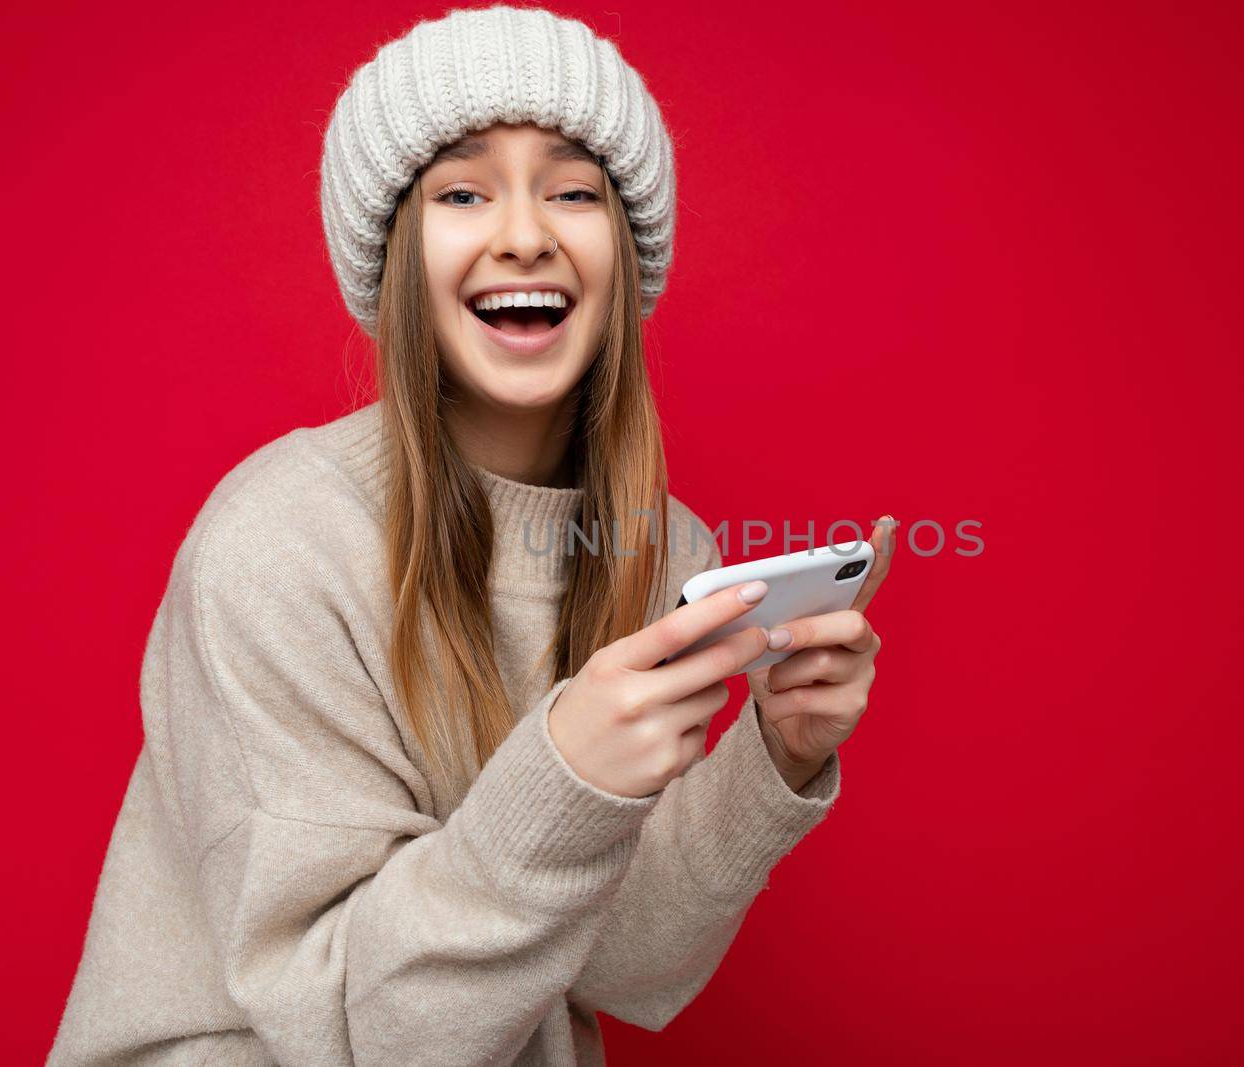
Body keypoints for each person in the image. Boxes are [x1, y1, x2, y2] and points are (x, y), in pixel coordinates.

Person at [47, 6, 891, 1065]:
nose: (525, 233)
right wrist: (566, 773)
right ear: (397, 254)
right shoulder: (278, 544)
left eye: (575, 190)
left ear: (625, 252)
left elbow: (613, 961)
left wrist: (773, 755)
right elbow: (357, 1033)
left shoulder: (667, 553)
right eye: (461, 191)